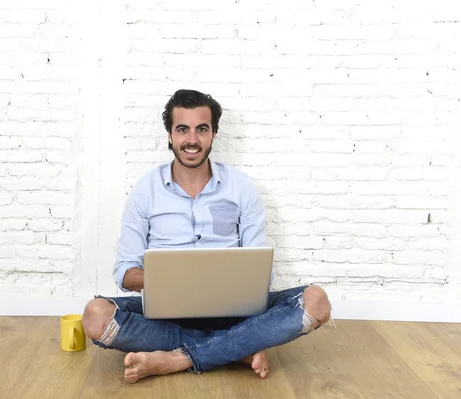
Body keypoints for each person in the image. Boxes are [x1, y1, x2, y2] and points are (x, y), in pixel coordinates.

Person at [82, 89, 332, 384]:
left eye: (202, 129)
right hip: (165, 313)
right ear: (170, 135)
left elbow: (261, 272)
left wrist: (231, 281)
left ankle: (178, 357)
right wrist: (166, 278)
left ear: (213, 133)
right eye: (182, 129)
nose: (192, 140)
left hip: (234, 311)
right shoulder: (145, 190)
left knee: (317, 302)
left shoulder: (240, 187)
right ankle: (235, 347)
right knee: (95, 315)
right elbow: (124, 272)